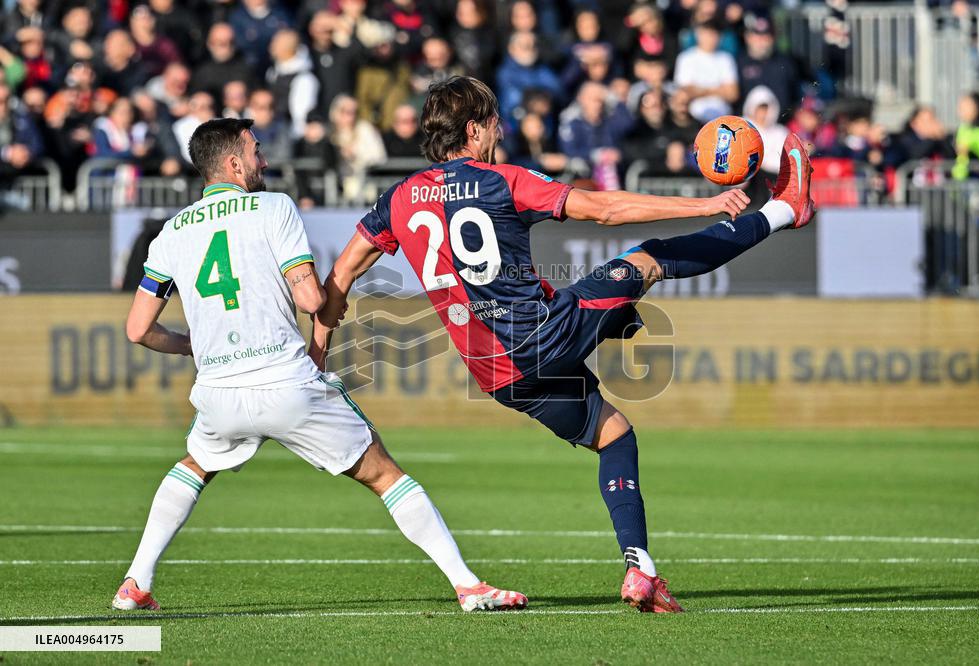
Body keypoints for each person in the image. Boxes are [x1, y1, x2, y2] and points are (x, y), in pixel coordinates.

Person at [308, 76, 816, 613]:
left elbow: (339, 277)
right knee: (647, 259)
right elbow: (603, 209)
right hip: (541, 338)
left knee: (614, 435)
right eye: (495, 123)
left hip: (497, 374)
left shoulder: (400, 198)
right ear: (476, 130)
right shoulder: (502, 180)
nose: (500, 132)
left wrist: (317, 353)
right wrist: (704, 205)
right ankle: (786, 209)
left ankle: (640, 570)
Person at [113, 116, 525, 613]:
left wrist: (190, 346)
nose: (263, 159)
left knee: (195, 466)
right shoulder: (273, 208)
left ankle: (136, 581)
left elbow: (137, 329)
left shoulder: (171, 233)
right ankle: (467, 585)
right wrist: (329, 297)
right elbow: (310, 299)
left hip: (219, 390)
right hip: (285, 381)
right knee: (383, 473)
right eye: (256, 149)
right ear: (234, 162)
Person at [673, 18, 739, 122]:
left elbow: (732, 94)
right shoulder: (686, 58)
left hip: (722, 118)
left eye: (715, 34)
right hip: (695, 117)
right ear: (698, 34)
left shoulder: (726, 59)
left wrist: (700, 90)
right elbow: (685, 91)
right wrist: (719, 89)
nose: (711, 38)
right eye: (708, 34)